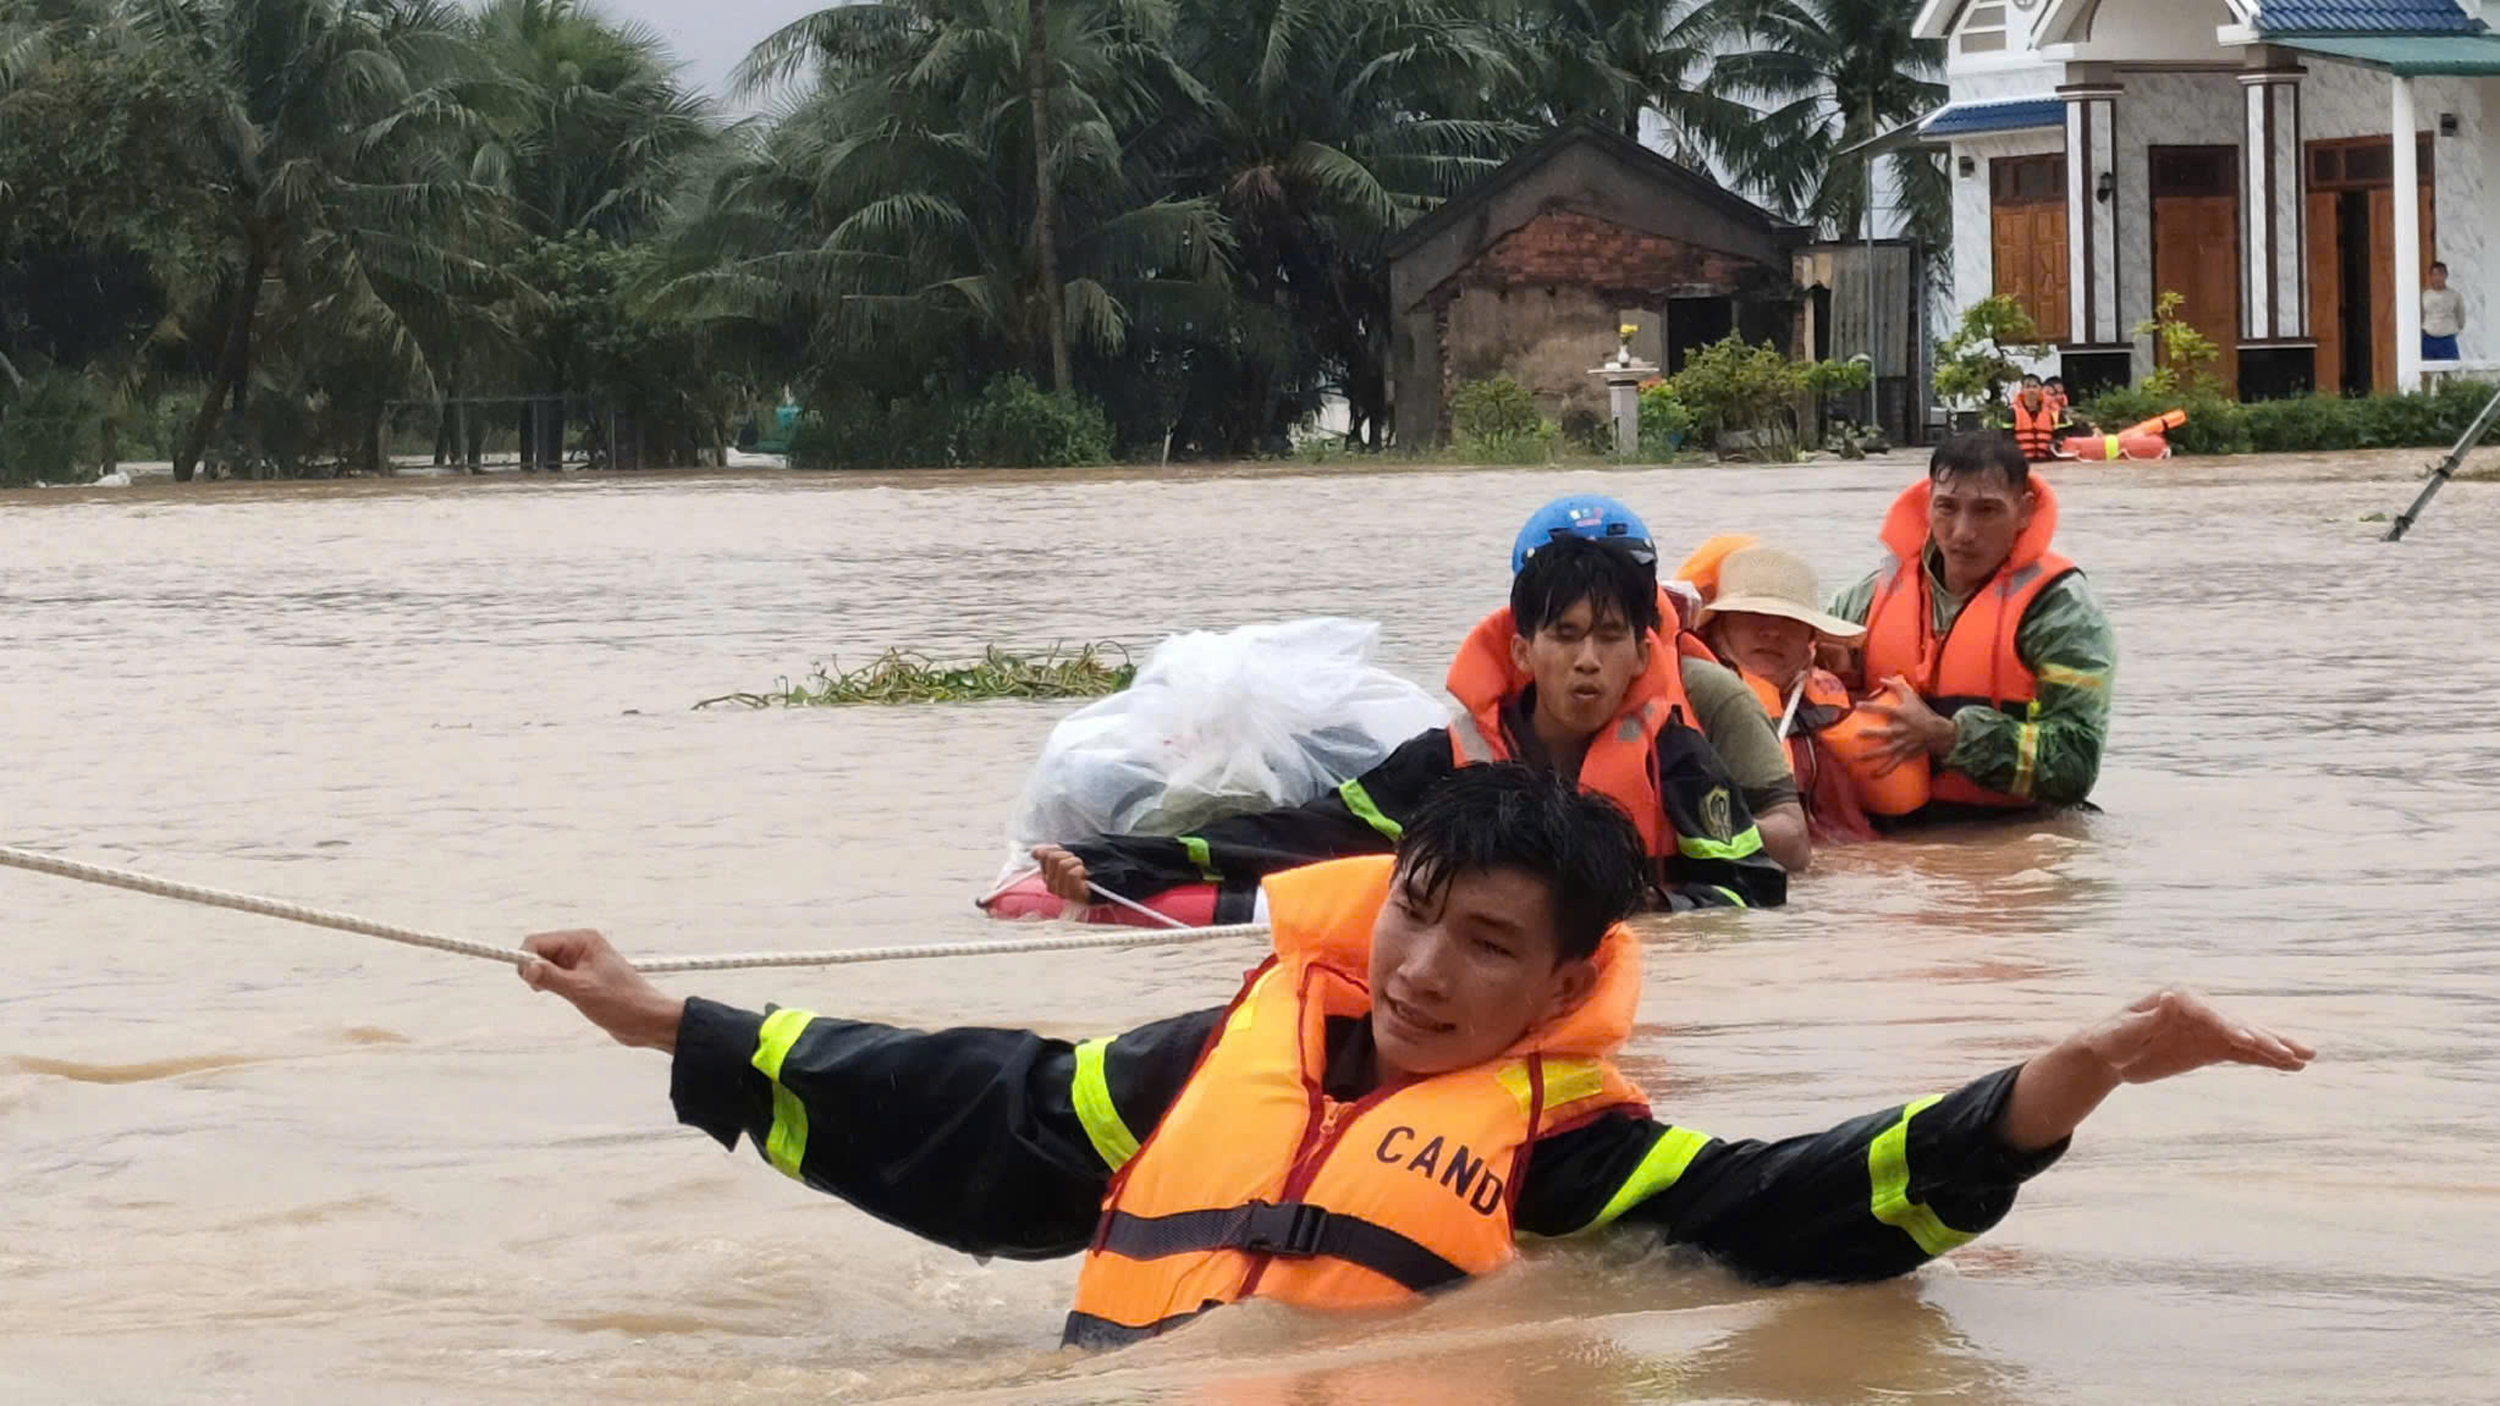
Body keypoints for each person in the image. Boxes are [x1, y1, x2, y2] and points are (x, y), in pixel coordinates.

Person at [517, 764, 2313, 1351]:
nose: (1428, 971)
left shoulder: (1565, 1147)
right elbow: (966, 1100)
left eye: (1488, 948)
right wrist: (667, 1014)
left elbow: (1810, 1202)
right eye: (1418, 914)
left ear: (1565, 986)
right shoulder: (1219, 1052)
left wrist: (2080, 1066)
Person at [1031, 509, 1793, 913]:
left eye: (1607, 637)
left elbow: (1756, 887)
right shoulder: (1448, 758)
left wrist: (1654, 909)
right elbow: (1295, 835)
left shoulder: (1679, 759)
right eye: (1564, 636)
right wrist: (1111, 864)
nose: (1587, 659)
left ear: (1640, 654)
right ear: (1523, 652)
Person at [1828, 433, 2115, 822]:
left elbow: (2075, 765)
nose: (1963, 532)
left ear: (2025, 511)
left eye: (1986, 511)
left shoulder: (2062, 611)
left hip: (2013, 832)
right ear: (1928, 506)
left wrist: (1949, 737)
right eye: (1947, 507)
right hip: (1889, 838)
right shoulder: (1863, 601)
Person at [1691, 545, 1882, 844]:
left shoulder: (1831, 707)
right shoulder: (1691, 700)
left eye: (1789, 620)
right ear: (1717, 629)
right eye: (1754, 615)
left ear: (1810, 638)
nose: (1772, 632)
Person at [2009, 375, 2058, 462]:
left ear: (2040, 389)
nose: (2031, 390)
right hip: (2021, 463)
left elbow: (2061, 435)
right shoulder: (2012, 412)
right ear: (2022, 390)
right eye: (2027, 387)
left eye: (2035, 387)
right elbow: (2006, 438)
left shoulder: (2051, 412)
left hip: (2047, 462)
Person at [2424, 261, 2466, 363]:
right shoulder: (2424, 295)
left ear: (2446, 276)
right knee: (2428, 372)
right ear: (2430, 276)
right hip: (2428, 339)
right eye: (2434, 274)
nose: (2437, 278)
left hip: (2447, 340)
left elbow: (2461, 317)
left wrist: (2455, 330)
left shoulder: (2455, 295)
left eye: (2440, 274)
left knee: (2451, 371)